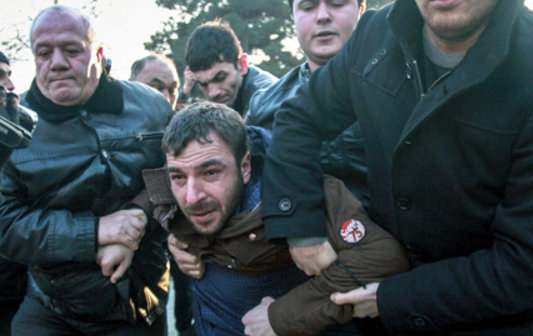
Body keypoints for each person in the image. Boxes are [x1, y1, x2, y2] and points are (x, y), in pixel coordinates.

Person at [259, 0, 533, 335]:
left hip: (503, 323)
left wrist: (391, 298)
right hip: (382, 320)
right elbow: (298, 117)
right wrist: (301, 227)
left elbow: (529, 266)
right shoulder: (373, 36)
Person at [136, 101, 408, 335]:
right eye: (178, 177)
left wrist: (283, 316)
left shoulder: (303, 193)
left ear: (245, 167)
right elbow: (159, 195)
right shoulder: (170, 190)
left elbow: (383, 260)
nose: (192, 197)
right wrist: (174, 236)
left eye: (210, 173)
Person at [0, 6, 172, 336]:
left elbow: (176, 174)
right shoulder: (11, 127)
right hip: (55, 309)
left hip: (142, 302)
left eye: (72, 50)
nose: (58, 62)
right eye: (44, 52)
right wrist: (94, 232)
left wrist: (133, 224)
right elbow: (4, 223)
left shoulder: (152, 107)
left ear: (98, 53)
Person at [245, 0, 369, 206]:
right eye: (308, 7)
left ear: (361, 11)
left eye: (337, 3)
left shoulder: (405, 86)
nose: (322, 16)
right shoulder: (263, 106)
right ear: (293, 17)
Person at [130, 53, 195, 336]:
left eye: (173, 88)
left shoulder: (180, 131)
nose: (167, 96)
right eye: (157, 87)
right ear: (130, 83)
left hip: (156, 268)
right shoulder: (105, 131)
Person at [0, 51, 34, 336]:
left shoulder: (16, 135)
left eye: (9, 74)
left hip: (16, 293)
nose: (10, 85)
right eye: (0, 75)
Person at [177, 20, 276, 116]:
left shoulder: (268, 101)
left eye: (220, 78)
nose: (213, 93)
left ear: (242, 64)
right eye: (203, 84)